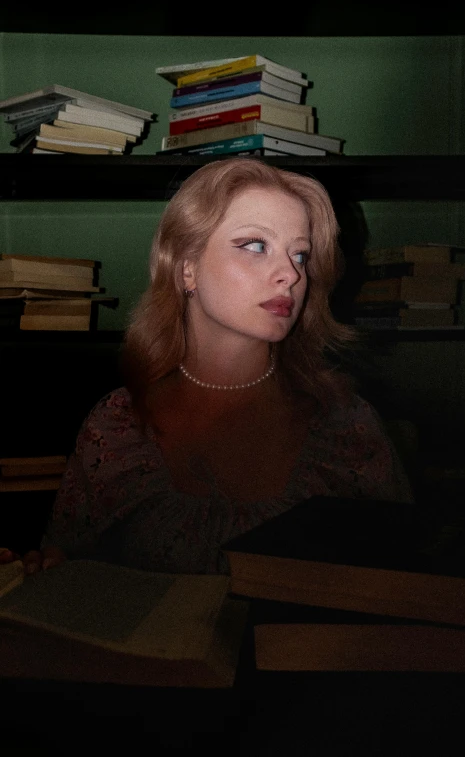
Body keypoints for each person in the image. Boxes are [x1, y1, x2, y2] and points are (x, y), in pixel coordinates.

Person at [19, 157, 412, 576]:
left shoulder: (347, 427)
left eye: (300, 254)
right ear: (187, 267)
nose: (290, 275)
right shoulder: (116, 427)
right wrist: (45, 571)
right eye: (256, 245)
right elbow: (69, 560)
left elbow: (405, 579)